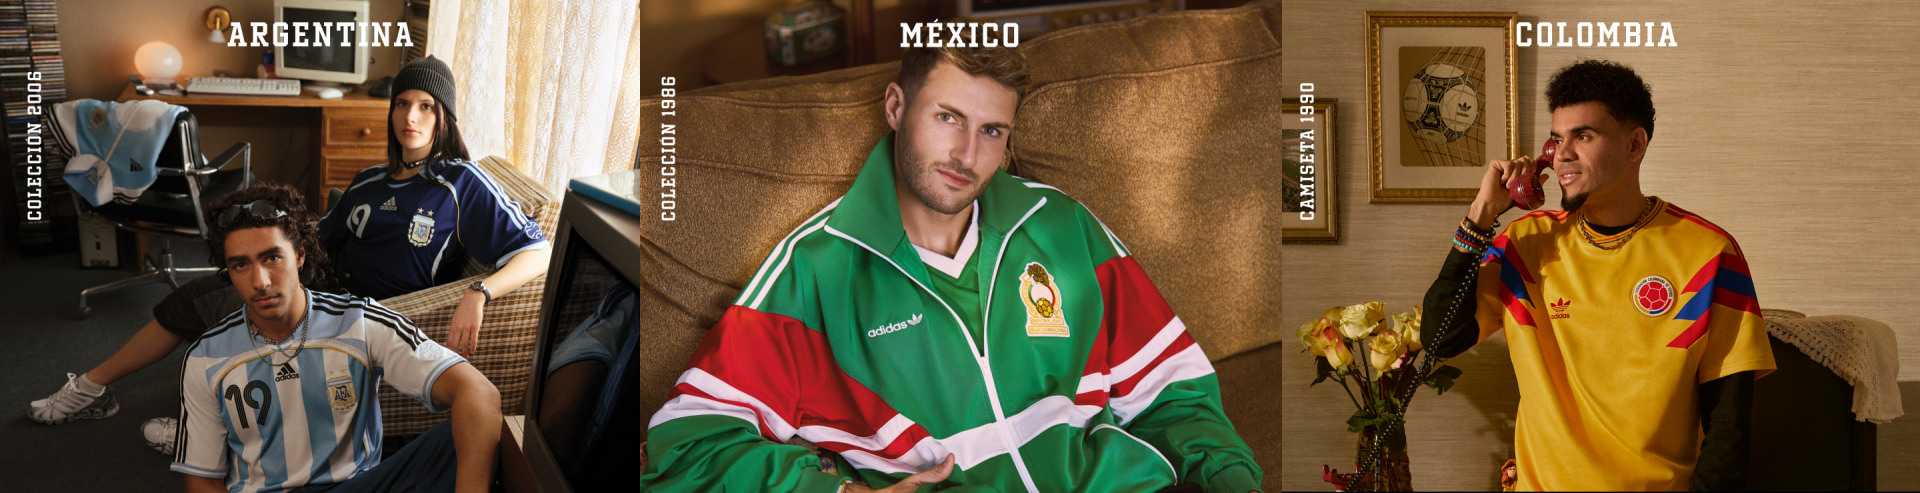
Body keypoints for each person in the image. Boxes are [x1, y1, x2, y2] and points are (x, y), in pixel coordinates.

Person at [641, 35, 1263, 492]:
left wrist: (1236, 482)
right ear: (895, 108)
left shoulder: (1063, 226)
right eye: (948, 118)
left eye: (992, 131)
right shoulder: (816, 268)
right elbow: (687, 443)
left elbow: (1173, 391)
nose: (967, 154)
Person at [29, 55, 551, 430]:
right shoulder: (370, 179)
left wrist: (477, 293)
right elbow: (317, 238)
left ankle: (205, 427)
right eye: (402, 104)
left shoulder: (460, 184)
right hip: (322, 282)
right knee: (211, 294)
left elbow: (539, 249)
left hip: (370, 310)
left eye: (426, 108)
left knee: (219, 303)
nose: (411, 118)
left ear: (444, 118)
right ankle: (100, 390)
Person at [1420, 60, 1774, 491]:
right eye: (1556, 139)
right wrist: (1479, 218)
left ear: (1634, 145)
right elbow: (1440, 338)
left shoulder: (1710, 253)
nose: (1562, 154)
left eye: (1583, 136)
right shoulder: (1525, 245)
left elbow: (1728, 428)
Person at [173, 183, 501, 493]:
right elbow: (204, 483)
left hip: (355, 487)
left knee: (457, 441)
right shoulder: (205, 355)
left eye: (272, 257)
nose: (259, 281)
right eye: (240, 265)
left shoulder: (359, 322)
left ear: (300, 254)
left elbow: (478, 392)